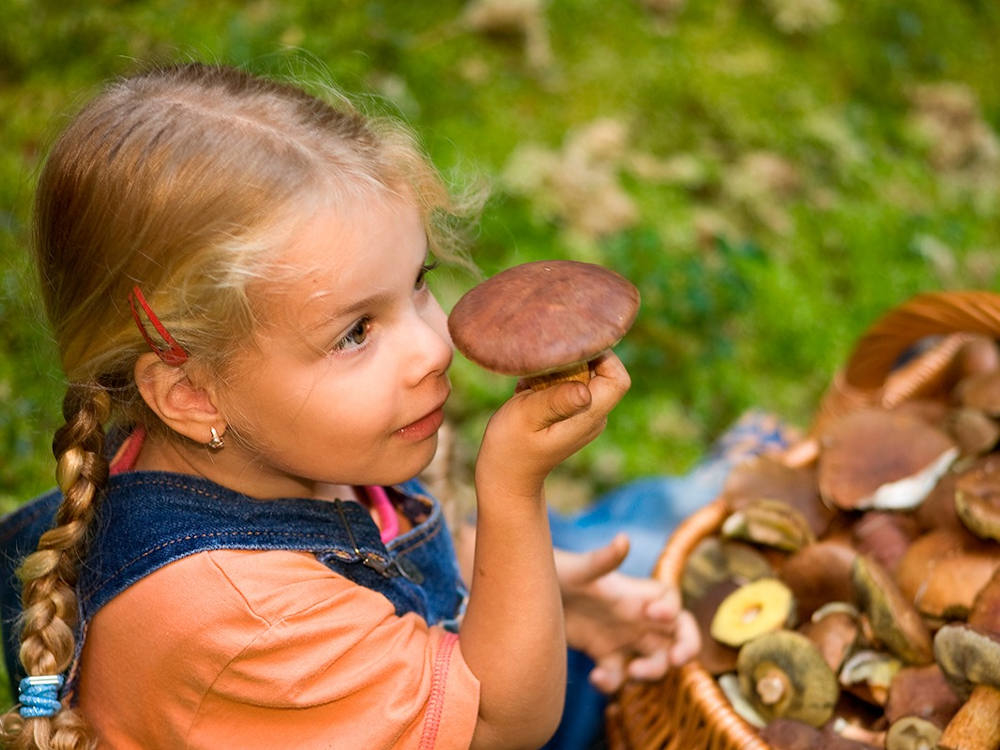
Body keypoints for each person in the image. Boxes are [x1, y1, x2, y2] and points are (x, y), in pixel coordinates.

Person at [0, 62, 698, 750]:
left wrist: (544, 595)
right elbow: (500, 724)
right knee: (678, 530)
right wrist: (514, 492)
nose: (431, 345)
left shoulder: (284, 441)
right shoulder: (239, 624)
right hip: (488, 704)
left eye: (418, 282)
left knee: (682, 564)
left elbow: (392, 549)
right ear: (189, 393)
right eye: (355, 332)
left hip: (443, 665)